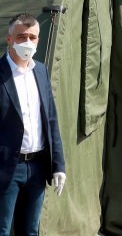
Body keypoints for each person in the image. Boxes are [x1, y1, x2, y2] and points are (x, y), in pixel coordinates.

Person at [1, 14, 66, 234]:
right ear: (9, 39)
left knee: (30, 230)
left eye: (32, 37)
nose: (27, 42)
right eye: (21, 37)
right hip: (7, 168)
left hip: (37, 167)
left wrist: (58, 165)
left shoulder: (40, 71)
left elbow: (51, 119)